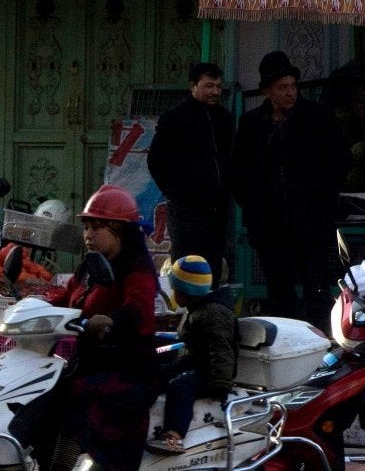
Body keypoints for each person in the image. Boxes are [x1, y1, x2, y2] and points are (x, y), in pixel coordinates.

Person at [21, 187, 163, 471]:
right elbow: (68, 298)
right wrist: (33, 308)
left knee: (79, 394)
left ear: (119, 231)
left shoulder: (137, 269)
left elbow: (139, 309)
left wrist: (111, 320)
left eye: (97, 227)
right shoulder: (90, 267)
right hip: (88, 364)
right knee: (44, 395)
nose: (88, 235)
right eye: (86, 227)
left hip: (129, 371)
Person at [228, 51, 348, 327]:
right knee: (279, 294)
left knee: (317, 291)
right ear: (267, 91)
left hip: (312, 224)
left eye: (293, 86)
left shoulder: (317, 118)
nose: (290, 93)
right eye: (282, 88)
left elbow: (340, 160)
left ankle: (320, 349)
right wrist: (253, 207)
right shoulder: (252, 124)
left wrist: (323, 197)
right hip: (270, 227)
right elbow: (239, 171)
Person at [148, 63, 235, 278]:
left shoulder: (223, 118)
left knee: (212, 270)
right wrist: (177, 193)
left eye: (218, 86)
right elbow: (156, 161)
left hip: (217, 211)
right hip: (186, 213)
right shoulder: (175, 118)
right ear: (193, 86)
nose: (215, 91)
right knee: (187, 271)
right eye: (208, 86)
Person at [154, 254, 237, 453]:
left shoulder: (213, 313)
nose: (173, 294)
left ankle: (174, 435)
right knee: (157, 374)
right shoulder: (196, 309)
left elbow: (222, 349)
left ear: (186, 292)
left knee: (180, 387)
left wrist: (220, 384)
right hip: (194, 362)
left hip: (210, 372)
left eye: (175, 289)